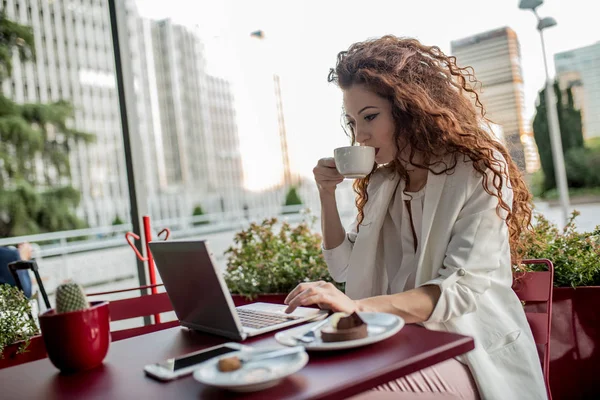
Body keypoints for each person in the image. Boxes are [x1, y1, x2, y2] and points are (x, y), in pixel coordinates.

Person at [284, 36, 547, 400]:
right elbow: (343, 268)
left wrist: (357, 307)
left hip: (467, 350)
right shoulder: (384, 181)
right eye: (352, 121)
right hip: (399, 344)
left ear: (409, 108)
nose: (360, 135)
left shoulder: (476, 170)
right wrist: (326, 194)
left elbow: (462, 288)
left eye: (370, 117)